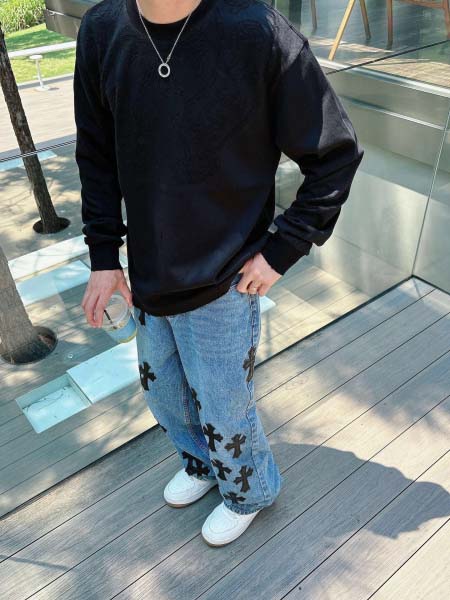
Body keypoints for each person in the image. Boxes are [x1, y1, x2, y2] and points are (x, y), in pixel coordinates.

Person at [74, 0, 364, 547]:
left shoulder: (256, 30)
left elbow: (335, 152)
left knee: (224, 406)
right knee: (165, 394)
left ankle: (250, 491)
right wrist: (104, 257)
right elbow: (96, 155)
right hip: (149, 273)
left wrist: (282, 249)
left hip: (227, 277)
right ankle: (204, 465)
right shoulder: (101, 29)